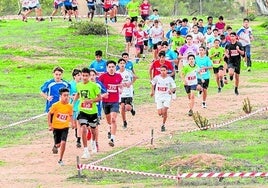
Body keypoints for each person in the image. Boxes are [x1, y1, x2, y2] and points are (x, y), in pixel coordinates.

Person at [73, 68, 101, 159]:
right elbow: (78, 94)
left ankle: (93, 143)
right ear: (81, 75)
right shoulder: (79, 85)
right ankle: (85, 150)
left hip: (92, 111)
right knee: (83, 128)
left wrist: (91, 101)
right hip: (82, 110)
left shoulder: (94, 86)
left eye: (86, 76)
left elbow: (99, 98)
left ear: (89, 76)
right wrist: (72, 104)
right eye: (83, 76)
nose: (84, 77)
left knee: (93, 130)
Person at [98, 60, 123, 147]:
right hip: (105, 101)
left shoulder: (118, 76)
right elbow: (98, 86)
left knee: (113, 119)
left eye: (113, 67)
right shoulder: (103, 77)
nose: (111, 69)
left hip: (115, 101)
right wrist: (101, 94)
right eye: (109, 67)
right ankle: (110, 128)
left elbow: (120, 85)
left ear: (115, 68)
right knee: (109, 120)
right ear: (107, 68)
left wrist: (121, 88)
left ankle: (112, 138)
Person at [47, 87, 74, 166]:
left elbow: (71, 115)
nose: (66, 97)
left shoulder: (69, 106)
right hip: (56, 127)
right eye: (64, 95)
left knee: (63, 143)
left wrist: (72, 123)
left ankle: (60, 159)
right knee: (58, 144)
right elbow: (49, 114)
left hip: (65, 127)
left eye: (68, 95)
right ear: (60, 96)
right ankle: (55, 145)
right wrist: (50, 125)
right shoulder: (55, 105)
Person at [150, 65, 176, 132]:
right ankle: (163, 115)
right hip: (158, 96)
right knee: (160, 113)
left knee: (165, 110)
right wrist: (152, 91)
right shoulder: (157, 78)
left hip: (167, 96)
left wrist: (171, 90)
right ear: (160, 71)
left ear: (167, 71)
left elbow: (174, 87)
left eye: (164, 70)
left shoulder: (169, 78)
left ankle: (163, 124)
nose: (163, 72)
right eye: (161, 70)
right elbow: (152, 83)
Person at [116, 58, 137, 128]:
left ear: (125, 64)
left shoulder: (128, 71)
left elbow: (135, 77)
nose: (122, 64)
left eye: (123, 63)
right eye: (121, 63)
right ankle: (124, 122)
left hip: (128, 92)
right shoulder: (116, 73)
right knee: (122, 107)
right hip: (121, 93)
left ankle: (131, 108)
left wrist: (130, 83)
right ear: (118, 64)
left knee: (127, 107)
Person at [69, 69, 82, 148]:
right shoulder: (70, 84)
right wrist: (73, 97)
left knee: (79, 123)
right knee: (74, 125)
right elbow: (67, 94)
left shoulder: (82, 84)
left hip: (80, 106)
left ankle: (78, 140)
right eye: (78, 75)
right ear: (74, 77)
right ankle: (77, 134)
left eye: (80, 75)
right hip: (73, 106)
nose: (79, 77)